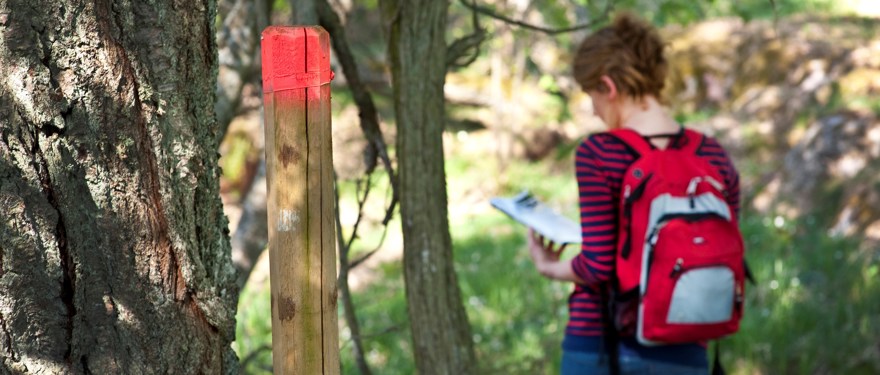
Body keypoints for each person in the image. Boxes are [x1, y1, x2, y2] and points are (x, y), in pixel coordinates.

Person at [527, 12, 741, 375]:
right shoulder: (712, 155)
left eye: (591, 95)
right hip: (686, 343)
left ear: (608, 87)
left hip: (602, 343)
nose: (593, 110)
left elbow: (597, 265)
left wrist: (548, 266)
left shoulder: (599, 153)